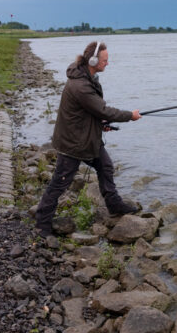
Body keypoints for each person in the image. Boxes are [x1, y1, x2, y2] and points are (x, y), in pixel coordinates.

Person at [35, 40, 142, 237]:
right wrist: (130, 115)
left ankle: (114, 205)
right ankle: (42, 224)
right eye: (105, 60)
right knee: (60, 182)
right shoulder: (81, 85)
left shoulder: (88, 78)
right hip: (74, 143)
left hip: (86, 137)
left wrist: (101, 124)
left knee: (106, 166)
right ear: (93, 61)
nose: (107, 63)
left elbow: (91, 112)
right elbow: (102, 109)